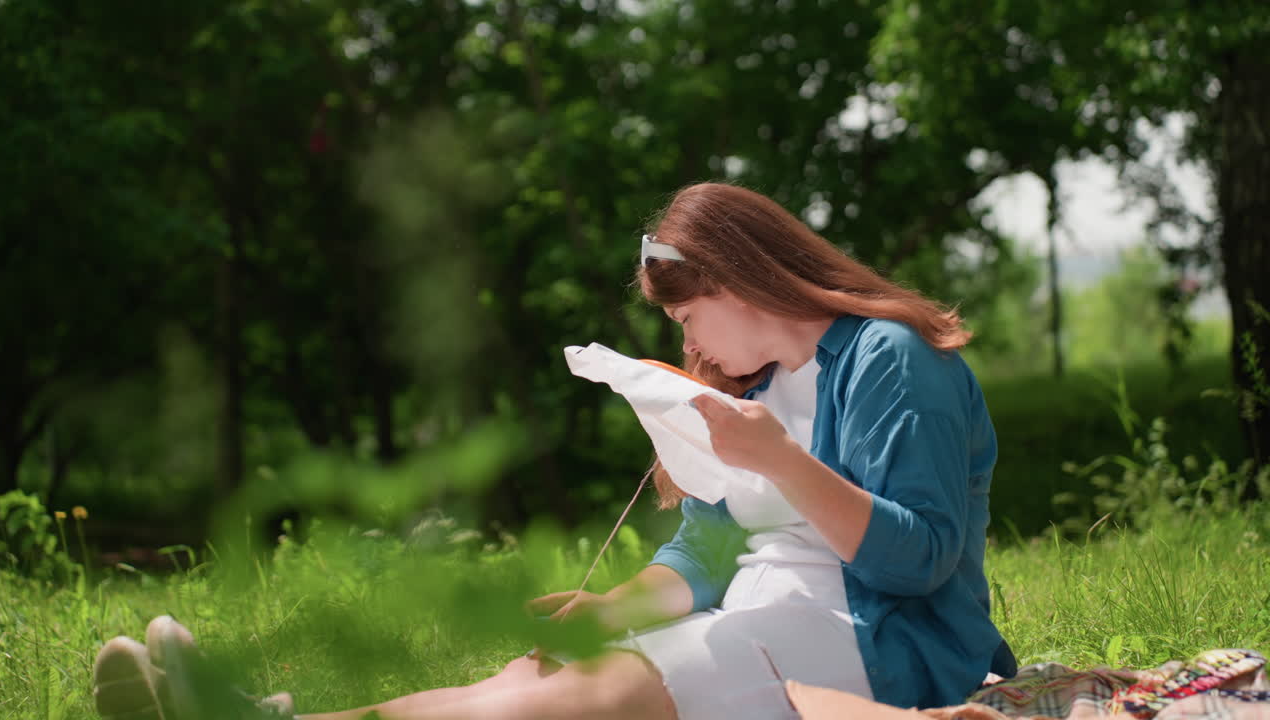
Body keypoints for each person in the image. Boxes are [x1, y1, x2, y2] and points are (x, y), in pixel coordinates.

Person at [91, 181, 1014, 720]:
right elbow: (710, 549)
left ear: (739, 280)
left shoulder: (890, 360)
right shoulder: (757, 389)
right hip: (767, 613)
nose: (690, 338)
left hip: (879, 647)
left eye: (689, 314)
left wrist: (781, 462)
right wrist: (611, 607)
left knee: (580, 701)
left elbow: (921, 562)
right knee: (528, 679)